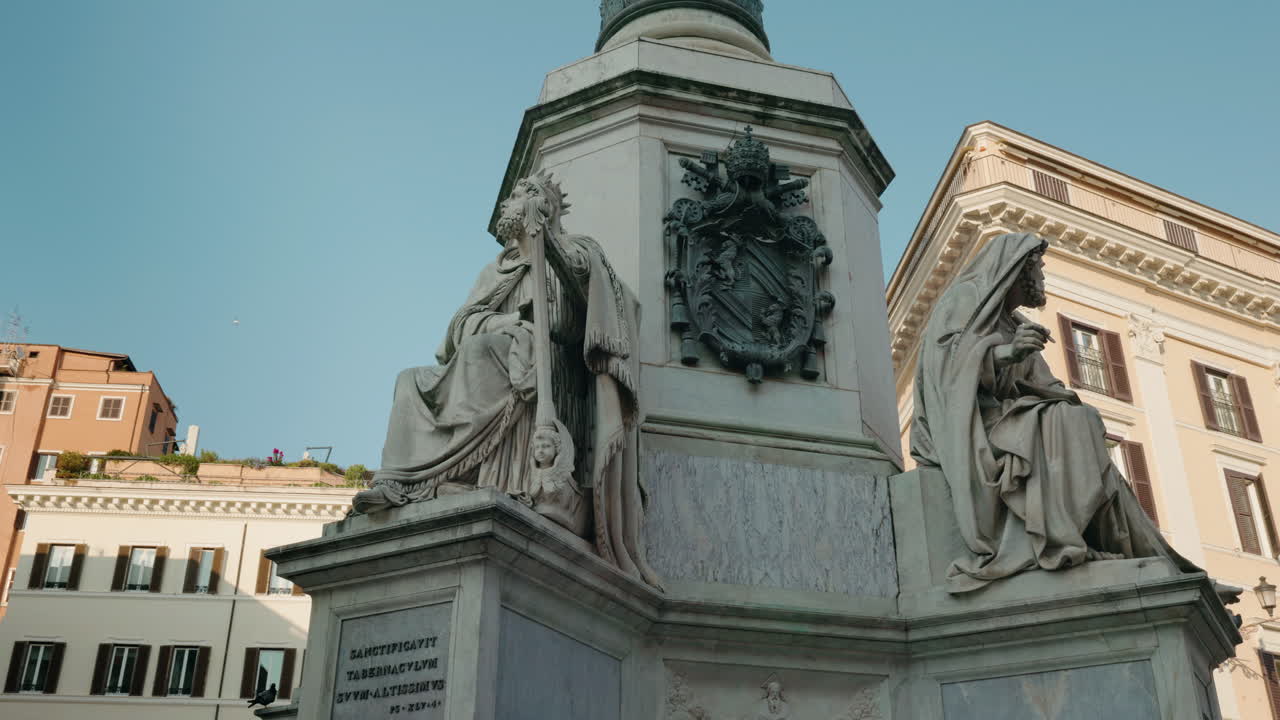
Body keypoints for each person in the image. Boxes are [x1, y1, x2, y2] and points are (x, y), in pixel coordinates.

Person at [352, 171, 660, 588]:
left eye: (528, 193)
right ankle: (400, 484)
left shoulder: (576, 251)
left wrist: (545, 246)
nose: (515, 199)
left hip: (552, 364)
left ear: (548, 208)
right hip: (491, 356)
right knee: (410, 379)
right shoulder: (495, 270)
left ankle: (503, 482)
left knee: (496, 349)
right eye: (514, 193)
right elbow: (456, 331)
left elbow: (593, 299)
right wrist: (511, 321)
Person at [910, 232, 1198, 593]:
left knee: (1083, 424)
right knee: (1069, 424)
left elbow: (1045, 385)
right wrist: (1004, 355)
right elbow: (944, 370)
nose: (1043, 276)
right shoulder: (964, 299)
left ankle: (1164, 562)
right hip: (973, 427)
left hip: (1015, 420)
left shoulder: (1014, 325)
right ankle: (1058, 539)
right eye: (1040, 268)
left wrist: (1057, 392)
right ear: (1020, 269)